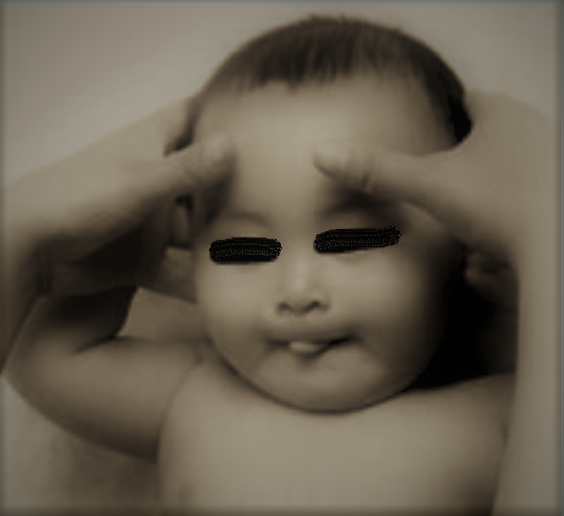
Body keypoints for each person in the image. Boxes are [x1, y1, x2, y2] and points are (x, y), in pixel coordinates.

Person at [3, 16, 557, 512]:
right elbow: (37, 351)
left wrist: (542, 240)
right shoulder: (190, 398)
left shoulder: (509, 417)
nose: (296, 290)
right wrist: (28, 233)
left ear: (469, 241)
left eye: (349, 240)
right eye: (244, 248)